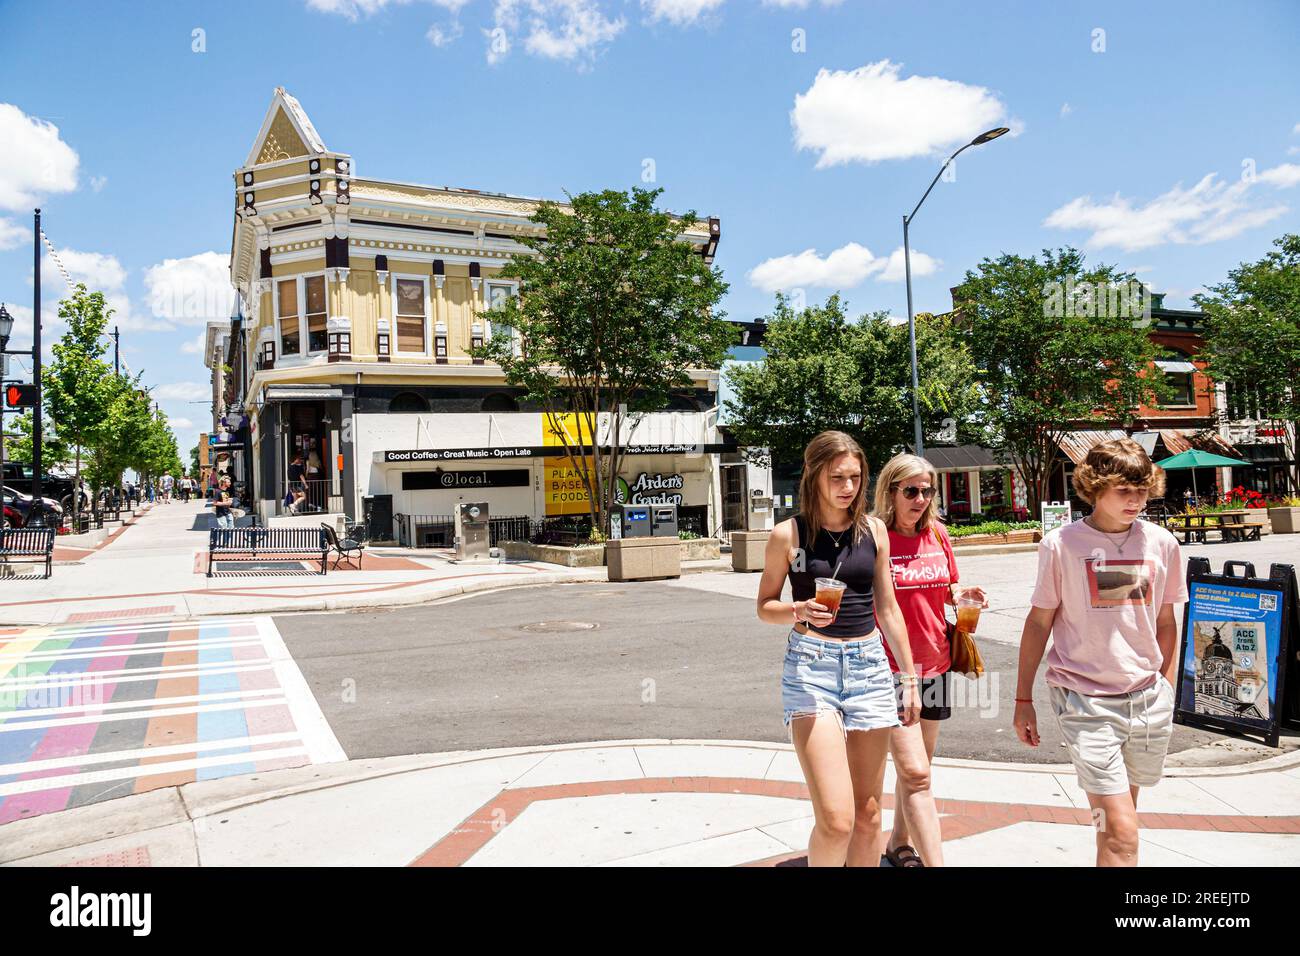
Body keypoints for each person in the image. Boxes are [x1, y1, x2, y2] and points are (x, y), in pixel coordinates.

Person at [1014, 438, 1186, 867]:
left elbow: (1166, 623)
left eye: (1142, 490)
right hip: (1085, 702)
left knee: (1115, 827)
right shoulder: (1061, 544)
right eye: (1124, 490)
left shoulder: (1162, 543)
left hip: (1147, 700)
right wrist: (1022, 700)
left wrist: (1166, 689)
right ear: (1094, 487)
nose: (1135, 500)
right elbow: (1039, 623)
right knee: (1122, 833)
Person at [756, 430, 920, 867]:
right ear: (813, 476)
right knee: (836, 819)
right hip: (812, 669)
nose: (848, 488)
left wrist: (909, 679)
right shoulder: (787, 536)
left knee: (868, 815)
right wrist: (798, 609)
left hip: (870, 668)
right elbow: (764, 607)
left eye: (855, 477)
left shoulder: (875, 531)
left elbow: (888, 608)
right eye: (837, 478)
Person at [872, 453, 988, 868]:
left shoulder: (938, 535)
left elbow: (947, 589)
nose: (920, 499)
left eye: (927, 490)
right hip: (890, 669)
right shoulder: (876, 538)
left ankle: (899, 842)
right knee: (915, 771)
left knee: (921, 766)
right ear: (891, 491)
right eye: (911, 490)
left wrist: (963, 598)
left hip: (936, 663)